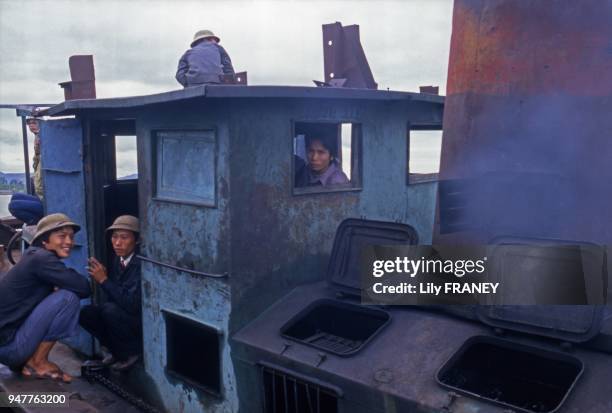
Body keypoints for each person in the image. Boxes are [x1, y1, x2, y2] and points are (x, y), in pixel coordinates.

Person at [0, 213, 90, 382]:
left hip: (7, 346)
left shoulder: (33, 255)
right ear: (44, 241)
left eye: (71, 236)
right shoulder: (42, 259)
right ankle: (38, 362)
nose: (69, 242)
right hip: (10, 349)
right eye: (61, 236)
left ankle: (28, 360)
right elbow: (83, 288)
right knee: (68, 298)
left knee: (58, 294)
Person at [79, 215, 142, 371]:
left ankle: (131, 353)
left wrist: (104, 281)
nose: (117, 243)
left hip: (140, 321)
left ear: (137, 240)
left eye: (124, 238)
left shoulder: (140, 263)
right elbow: (116, 295)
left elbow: (132, 305)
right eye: (114, 237)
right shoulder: (118, 259)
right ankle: (115, 351)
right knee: (86, 313)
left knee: (109, 310)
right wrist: (106, 281)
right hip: (124, 316)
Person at [26, 117, 44, 199]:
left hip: (43, 163)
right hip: (38, 163)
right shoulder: (37, 136)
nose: (31, 125)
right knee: (32, 180)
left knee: (37, 184)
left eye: (34, 123)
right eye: (29, 123)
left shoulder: (43, 135)